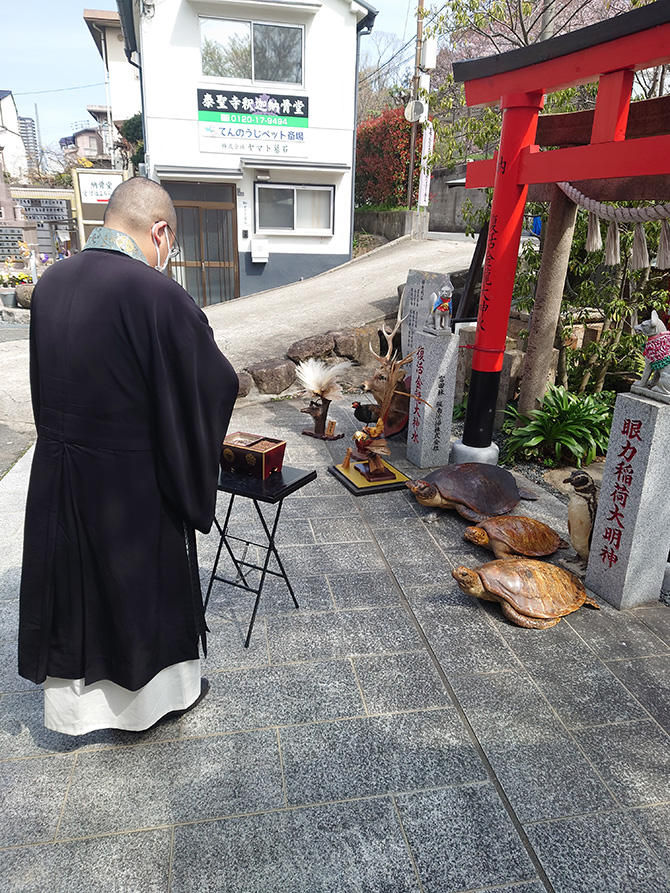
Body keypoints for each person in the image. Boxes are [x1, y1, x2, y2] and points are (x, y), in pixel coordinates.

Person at [18, 177, 239, 734]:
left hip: (59, 471)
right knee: (139, 587)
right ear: (160, 232)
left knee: (76, 590)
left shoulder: (50, 282)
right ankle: (149, 706)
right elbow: (214, 383)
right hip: (132, 480)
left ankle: (74, 713)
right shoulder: (156, 294)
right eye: (170, 244)